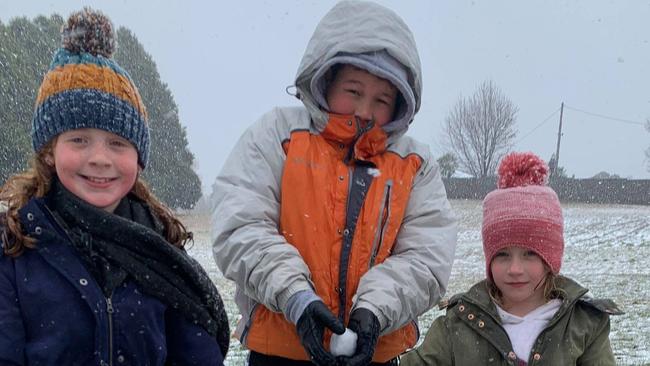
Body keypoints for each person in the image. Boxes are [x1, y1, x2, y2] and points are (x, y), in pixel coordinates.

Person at [211, 1, 458, 365]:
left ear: (401, 104)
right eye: (353, 91)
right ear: (325, 80)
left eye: (381, 99)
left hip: (372, 354)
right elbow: (241, 226)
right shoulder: (278, 136)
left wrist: (374, 310)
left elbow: (425, 256)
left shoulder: (414, 164)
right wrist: (297, 298)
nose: (364, 111)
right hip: (281, 351)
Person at [0, 8, 229, 365]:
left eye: (117, 144)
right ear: (48, 153)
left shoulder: (162, 252)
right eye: (78, 139)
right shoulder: (14, 250)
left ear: (138, 160)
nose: (100, 158)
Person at [400, 152, 623, 366]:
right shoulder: (459, 322)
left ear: (551, 259)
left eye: (530, 254)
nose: (515, 269)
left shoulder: (583, 324)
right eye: (502, 255)